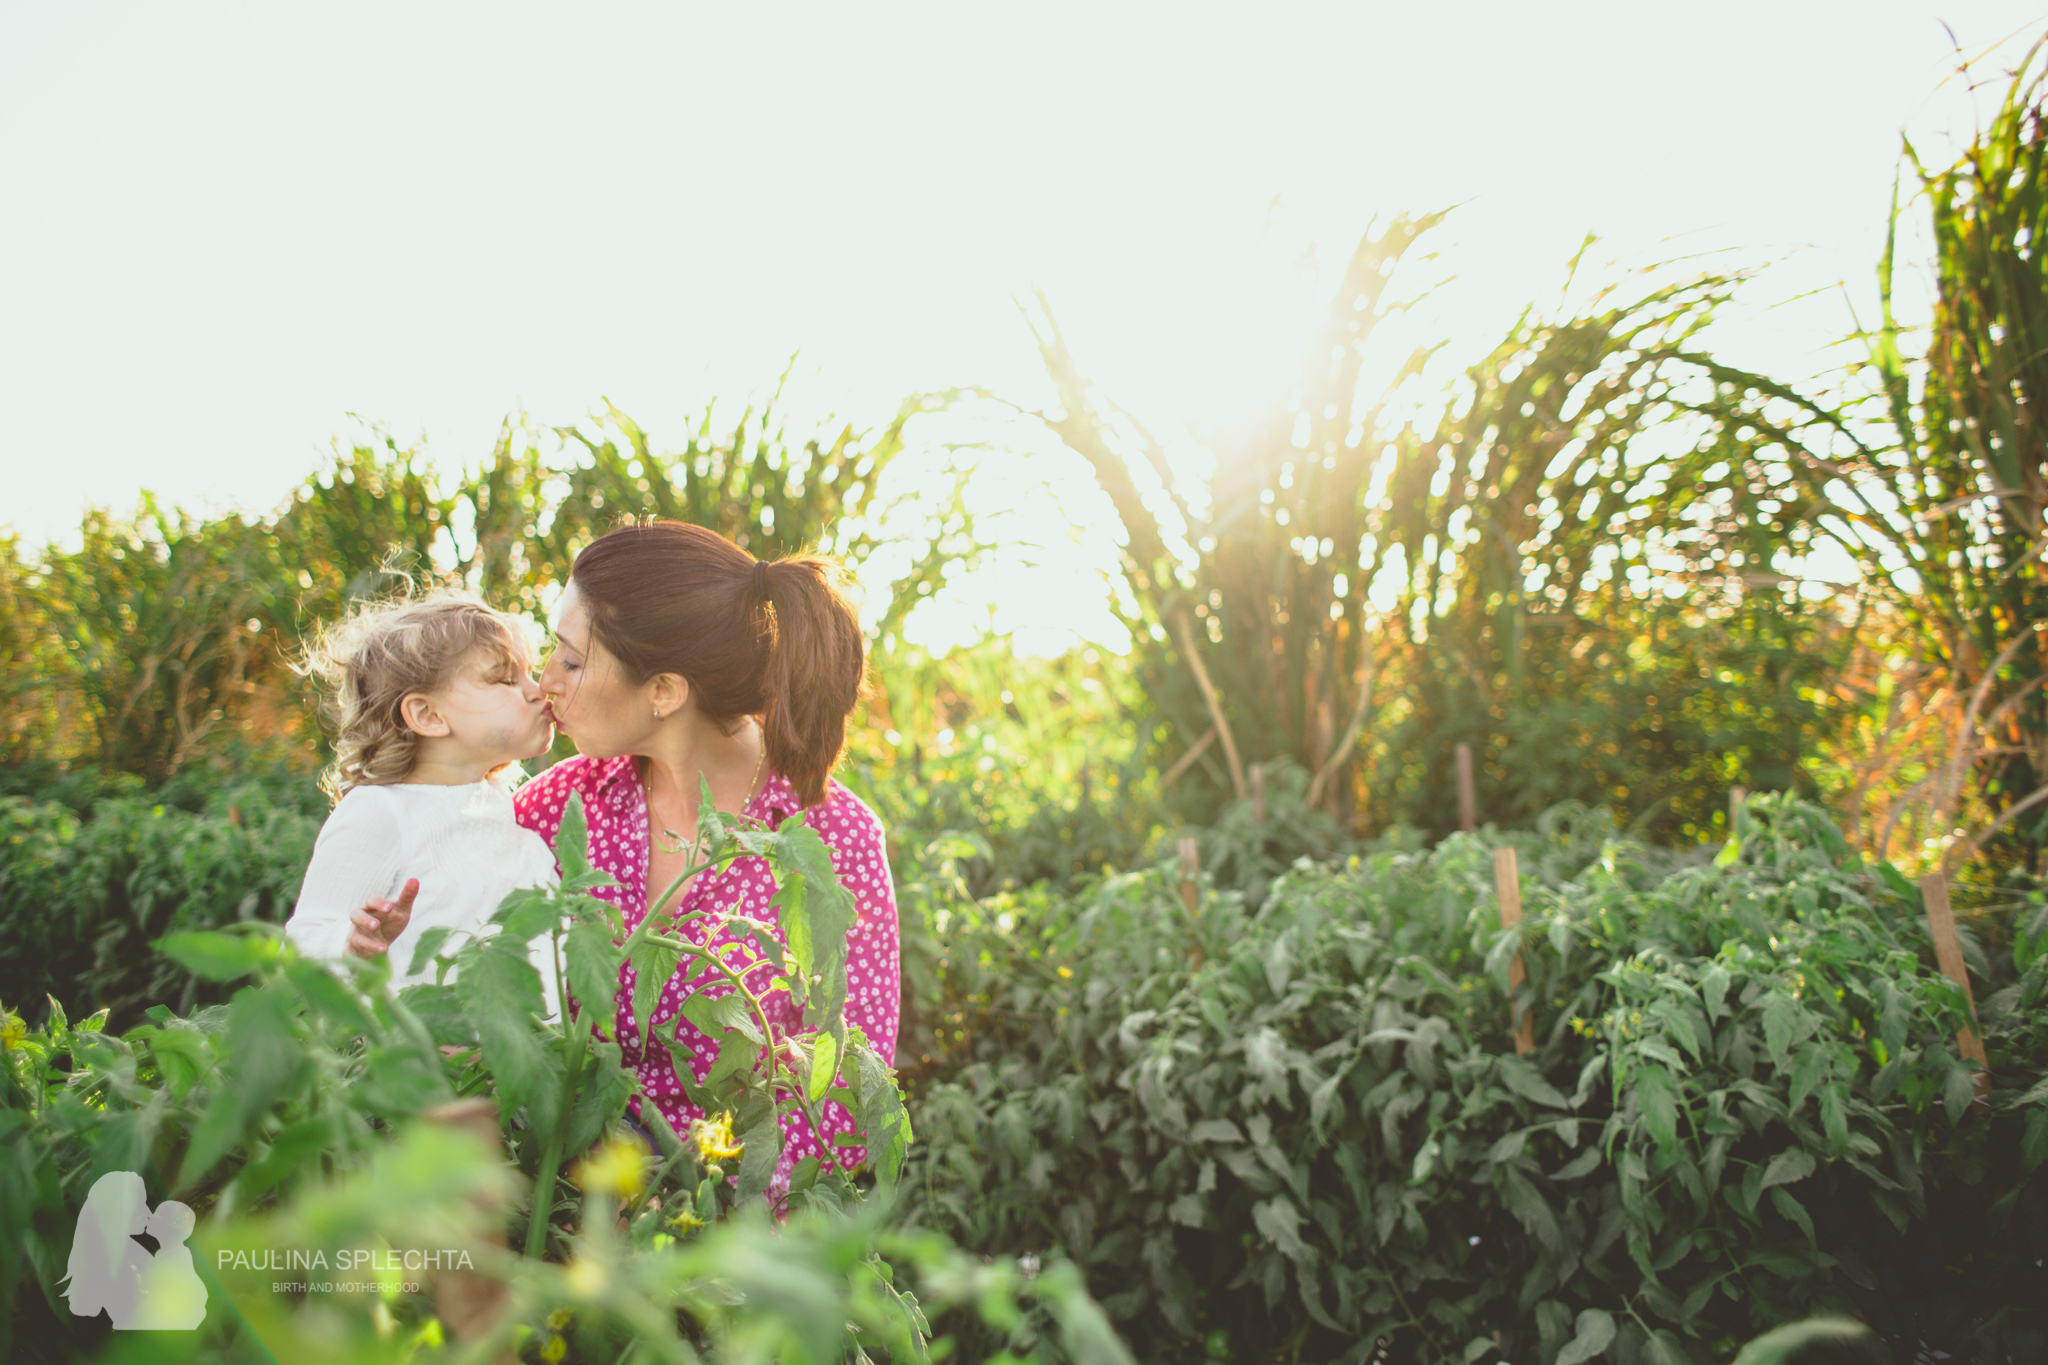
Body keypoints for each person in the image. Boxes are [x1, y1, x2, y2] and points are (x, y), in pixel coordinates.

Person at [515, 521, 898, 1186]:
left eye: (571, 660)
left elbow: (839, 1101)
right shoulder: (556, 808)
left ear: (664, 690)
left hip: (734, 1252)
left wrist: (716, 1255)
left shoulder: (833, 843)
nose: (543, 680)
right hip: (557, 1220)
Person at [283, 592, 562, 1008]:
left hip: (530, 1066)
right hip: (428, 1068)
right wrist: (351, 944)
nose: (538, 689)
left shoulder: (501, 807)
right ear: (428, 716)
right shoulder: (380, 811)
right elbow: (306, 939)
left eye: (529, 673)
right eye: (505, 679)